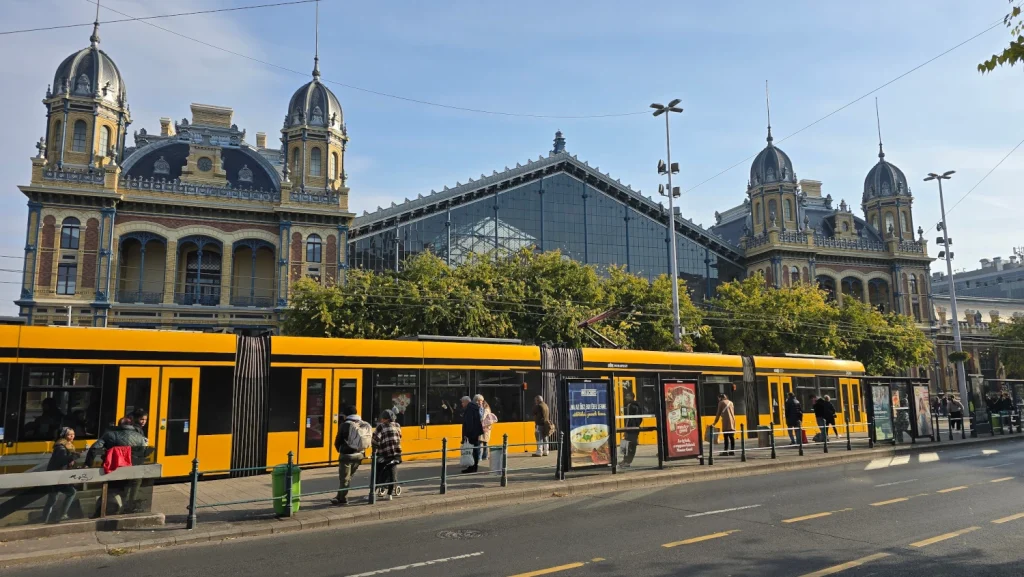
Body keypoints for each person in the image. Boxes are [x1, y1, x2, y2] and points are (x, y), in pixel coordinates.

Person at [85, 417, 149, 516]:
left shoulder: (110, 434)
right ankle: (128, 508)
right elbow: (144, 453)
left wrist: (88, 464)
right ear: (132, 425)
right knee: (132, 486)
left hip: (114, 469)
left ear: (119, 425)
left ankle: (100, 512)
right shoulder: (140, 437)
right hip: (133, 471)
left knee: (108, 491)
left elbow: (94, 448)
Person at [332, 406, 369, 506]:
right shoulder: (362, 423)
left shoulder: (344, 425)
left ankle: (343, 499)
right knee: (348, 477)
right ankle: (338, 497)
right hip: (359, 455)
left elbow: (337, 441)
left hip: (347, 456)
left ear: (346, 415)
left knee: (344, 478)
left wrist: (341, 451)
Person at [41, 427, 79, 523]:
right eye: (70, 434)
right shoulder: (61, 447)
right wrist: (73, 457)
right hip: (57, 476)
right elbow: (62, 460)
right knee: (70, 493)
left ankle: (45, 519)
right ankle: (61, 515)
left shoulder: (67, 446)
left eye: (73, 434)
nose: (72, 436)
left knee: (52, 499)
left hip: (59, 475)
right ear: (64, 435)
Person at [372, 410, 402, 500]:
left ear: (385, 419)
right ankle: (389, 493)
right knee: (392, 472)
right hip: (396, 453)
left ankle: (374, 491)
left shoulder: (381, 426)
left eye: (382, 418)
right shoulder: (397, 425)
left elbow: (374, 440)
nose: (381, 420)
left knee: (378, 472)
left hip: (384, 453)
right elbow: (400, 436)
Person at [461, 396, 484, 473]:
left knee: (472, 450)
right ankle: (474, 466)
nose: (462, 404)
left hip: (471, 433)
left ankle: (472, 467)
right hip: (475, 432)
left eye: (462, 402)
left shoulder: (469, 409)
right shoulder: (474, 407)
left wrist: (467, 434)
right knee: (474, 449)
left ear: (466, 402)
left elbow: (469, 422)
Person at [621, 391, 643, 466]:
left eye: (627, 396)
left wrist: (627, 429)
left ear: (631, 397)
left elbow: (629, 419)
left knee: (629, 445)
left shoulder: (631, 406)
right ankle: (626, 460)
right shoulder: (635, 405)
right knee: (628, 444)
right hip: (634, 428)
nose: (626, 397)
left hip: (631, 429)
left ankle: (627, 461)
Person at [475, 394, 497, 461]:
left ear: (482, 401)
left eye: (479, 401)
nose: (477, 402)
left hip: (484, 427)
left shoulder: (485, 409)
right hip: (485, 427)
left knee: (481, 442)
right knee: (484, 442)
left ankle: (481, 457)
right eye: (477, 401)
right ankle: (485, 456)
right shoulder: (484, 408)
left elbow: (482, 417)